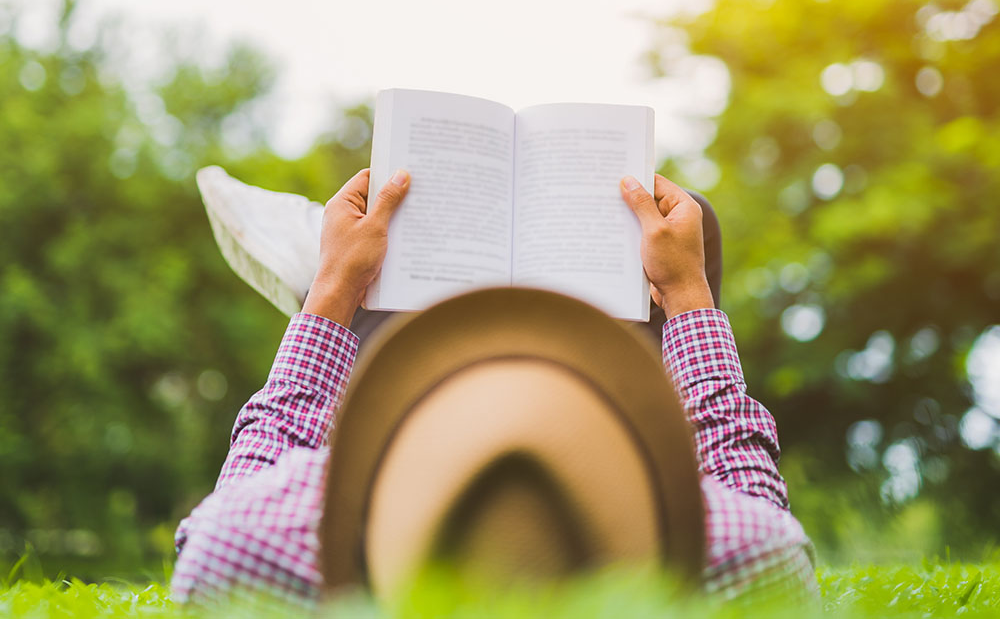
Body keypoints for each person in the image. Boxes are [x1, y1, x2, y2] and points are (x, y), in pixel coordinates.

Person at [171, 168, 818, 604]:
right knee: (694, 225)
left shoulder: (247, 546)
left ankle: (342, 276)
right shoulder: (752, 559)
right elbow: (748, 487)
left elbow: (244, 492)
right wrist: (685, 287)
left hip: (362, 355)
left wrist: (334, 290)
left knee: (391, 315)